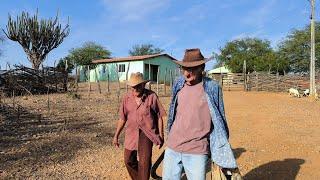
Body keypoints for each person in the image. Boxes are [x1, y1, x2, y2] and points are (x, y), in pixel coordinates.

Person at [162, 49, 238, 180]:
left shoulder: (212, 87)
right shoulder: (178, 84)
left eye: (193, 68)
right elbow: (173, 111)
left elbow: (220, 118)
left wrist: (220, 149)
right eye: (185, 68)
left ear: (202, 68)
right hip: (173, 147)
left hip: (197, 150)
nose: (187, 72)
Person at [113, 72, 166, 180]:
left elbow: (159, 116)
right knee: (128, 160)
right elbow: (122, 118)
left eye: (137, 86)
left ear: (143, 85)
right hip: (131, 133)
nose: (135, 90)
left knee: (144, 162)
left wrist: (161, 135)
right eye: (132, 87)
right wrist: (116, 136)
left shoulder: (151, 96)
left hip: (147, 133)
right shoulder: (126, 98)